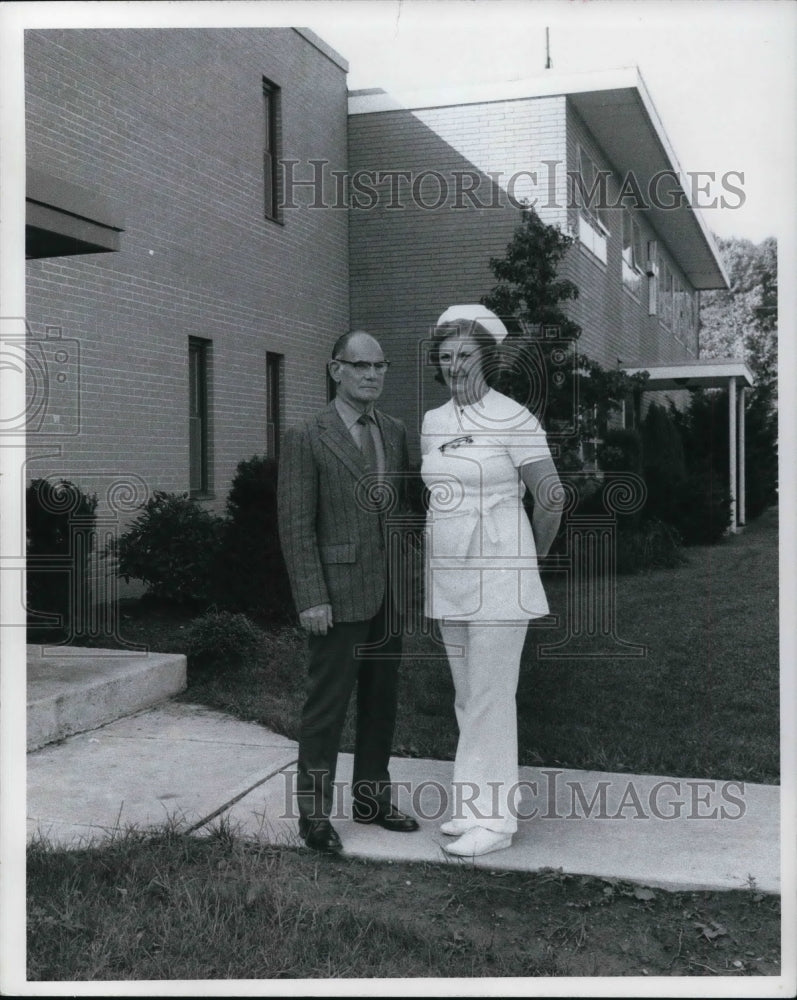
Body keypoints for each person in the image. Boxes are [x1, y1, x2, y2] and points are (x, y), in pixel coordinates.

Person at [420, 305, 563, 858]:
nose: (455, 366)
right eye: (446, 356)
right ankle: (473, 805)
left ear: (488, 360)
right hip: (450, 570)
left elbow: (550, 499)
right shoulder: (435, 421)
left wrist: (528, 563)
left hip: (501, 571)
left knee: (491, 696)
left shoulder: (515, 417)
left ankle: (496, 823)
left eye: (466, 355)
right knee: (466, 693)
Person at [278, 330, 419, 854]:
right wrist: (311, 596)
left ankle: (372, 799)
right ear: (336, 370)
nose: (373, 375)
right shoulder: (306, 435)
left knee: (382, 702)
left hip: (387, 595)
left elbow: (405, 510)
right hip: (335, 596)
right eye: (361, 366)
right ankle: (314, 815)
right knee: (327, 706)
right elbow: (296, 525)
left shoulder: (396, 430)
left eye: (380, 365)